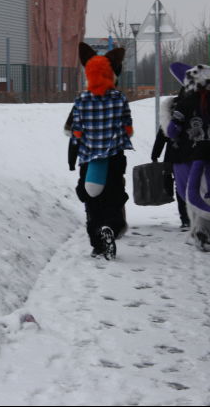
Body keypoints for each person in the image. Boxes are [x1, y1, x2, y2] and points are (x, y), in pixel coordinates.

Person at [69, 43, 133, 260]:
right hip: (114, 157)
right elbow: (128, 127)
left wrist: (87, 139)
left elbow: (76, 131)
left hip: (88, 159)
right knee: (114, 196)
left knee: (92, 200)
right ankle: (112, 229)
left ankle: (97, 241)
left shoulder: (82, 100)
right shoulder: (119, 98)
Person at [165, 62, 210, 251]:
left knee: (190, 191)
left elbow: (173, 131)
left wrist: (166, 115)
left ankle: (197, 230)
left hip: (186, 157)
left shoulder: (183, 103)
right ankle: (204, 231)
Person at [152, 88, 191, 229]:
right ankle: (190, 217)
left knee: (180, 186)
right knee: (194, 185)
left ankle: (185, 218)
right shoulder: (196, 107)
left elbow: (163, 133)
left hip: (174, 154)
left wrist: (155, 153)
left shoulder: (172, 108)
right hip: (193, 153)